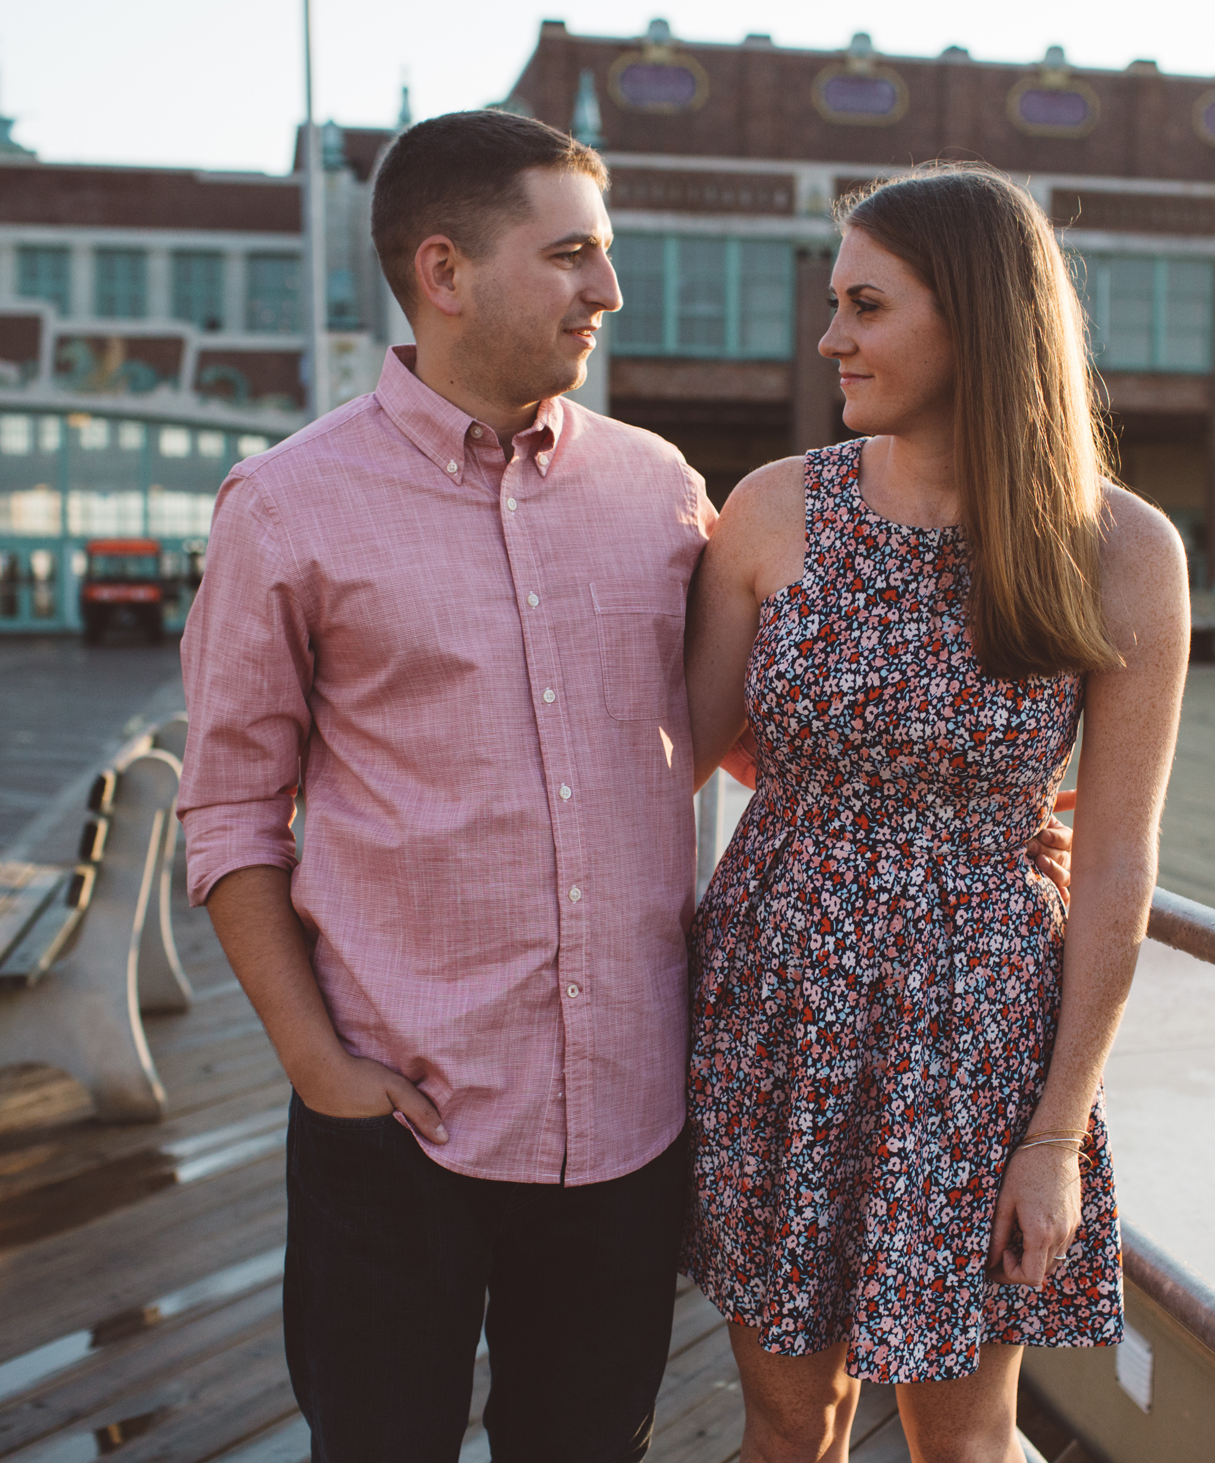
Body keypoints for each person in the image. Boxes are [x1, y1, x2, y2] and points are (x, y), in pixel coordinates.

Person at [178, 114, 1073, 1462]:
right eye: (575, 256)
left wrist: (981, 812)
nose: (608, 290)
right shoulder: (286, 506)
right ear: (445, 271)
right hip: (395, 1105)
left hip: (630, 1113)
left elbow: (751, 725)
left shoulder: (660, 492)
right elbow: (230, 811)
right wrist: (316, 1064)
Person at [682, 165, 1191, 1462]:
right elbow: (661, 767)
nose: (828, 338)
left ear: (971, 315)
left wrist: (1054, 1137)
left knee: (961, 1442)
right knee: (786, 1426)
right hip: (770, 1018)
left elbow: (1120, 864)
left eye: (864, 304)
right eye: (832, 302)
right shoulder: (771, 509)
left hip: (974, 1051)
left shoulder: (1119, 551)